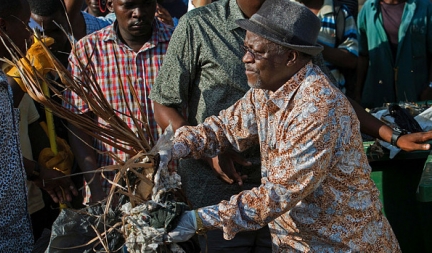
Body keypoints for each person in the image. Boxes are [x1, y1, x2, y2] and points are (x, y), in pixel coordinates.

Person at [150, 0, 432, 251]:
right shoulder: (266, 90)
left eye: (256, 52)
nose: (245, 59)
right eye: (245, 48)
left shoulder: (317, 108)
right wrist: (174, 147)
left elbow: (277, 194)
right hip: (298, 241)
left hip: (342, 243)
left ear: (290, 57)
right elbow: (223, 127)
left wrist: (197, 220)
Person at [0, 0, 76, 251]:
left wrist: (37, 173)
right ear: (1, 27)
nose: (31, 33)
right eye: (25, 24)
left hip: (13, 238)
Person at [63, 0, 174, 204]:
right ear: (110, 4)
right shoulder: (87, 51)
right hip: (112, 189)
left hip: (172, 184)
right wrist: (96, 187)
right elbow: (78, 123)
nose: (138, 13)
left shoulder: (177, 44)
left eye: (146, 4)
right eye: (128, 6)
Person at [356, 0, 432, 108]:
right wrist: (358, 94)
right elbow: (363, 55)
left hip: (416, 96)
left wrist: (430, 86)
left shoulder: (424, 7)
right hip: (379, 97)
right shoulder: (369, 8)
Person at [298, 0, 358, 95]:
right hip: (290, 98)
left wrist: (314, 46)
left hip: (330, 96)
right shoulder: (283, 10)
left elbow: (351, 59)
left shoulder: (340, 12)